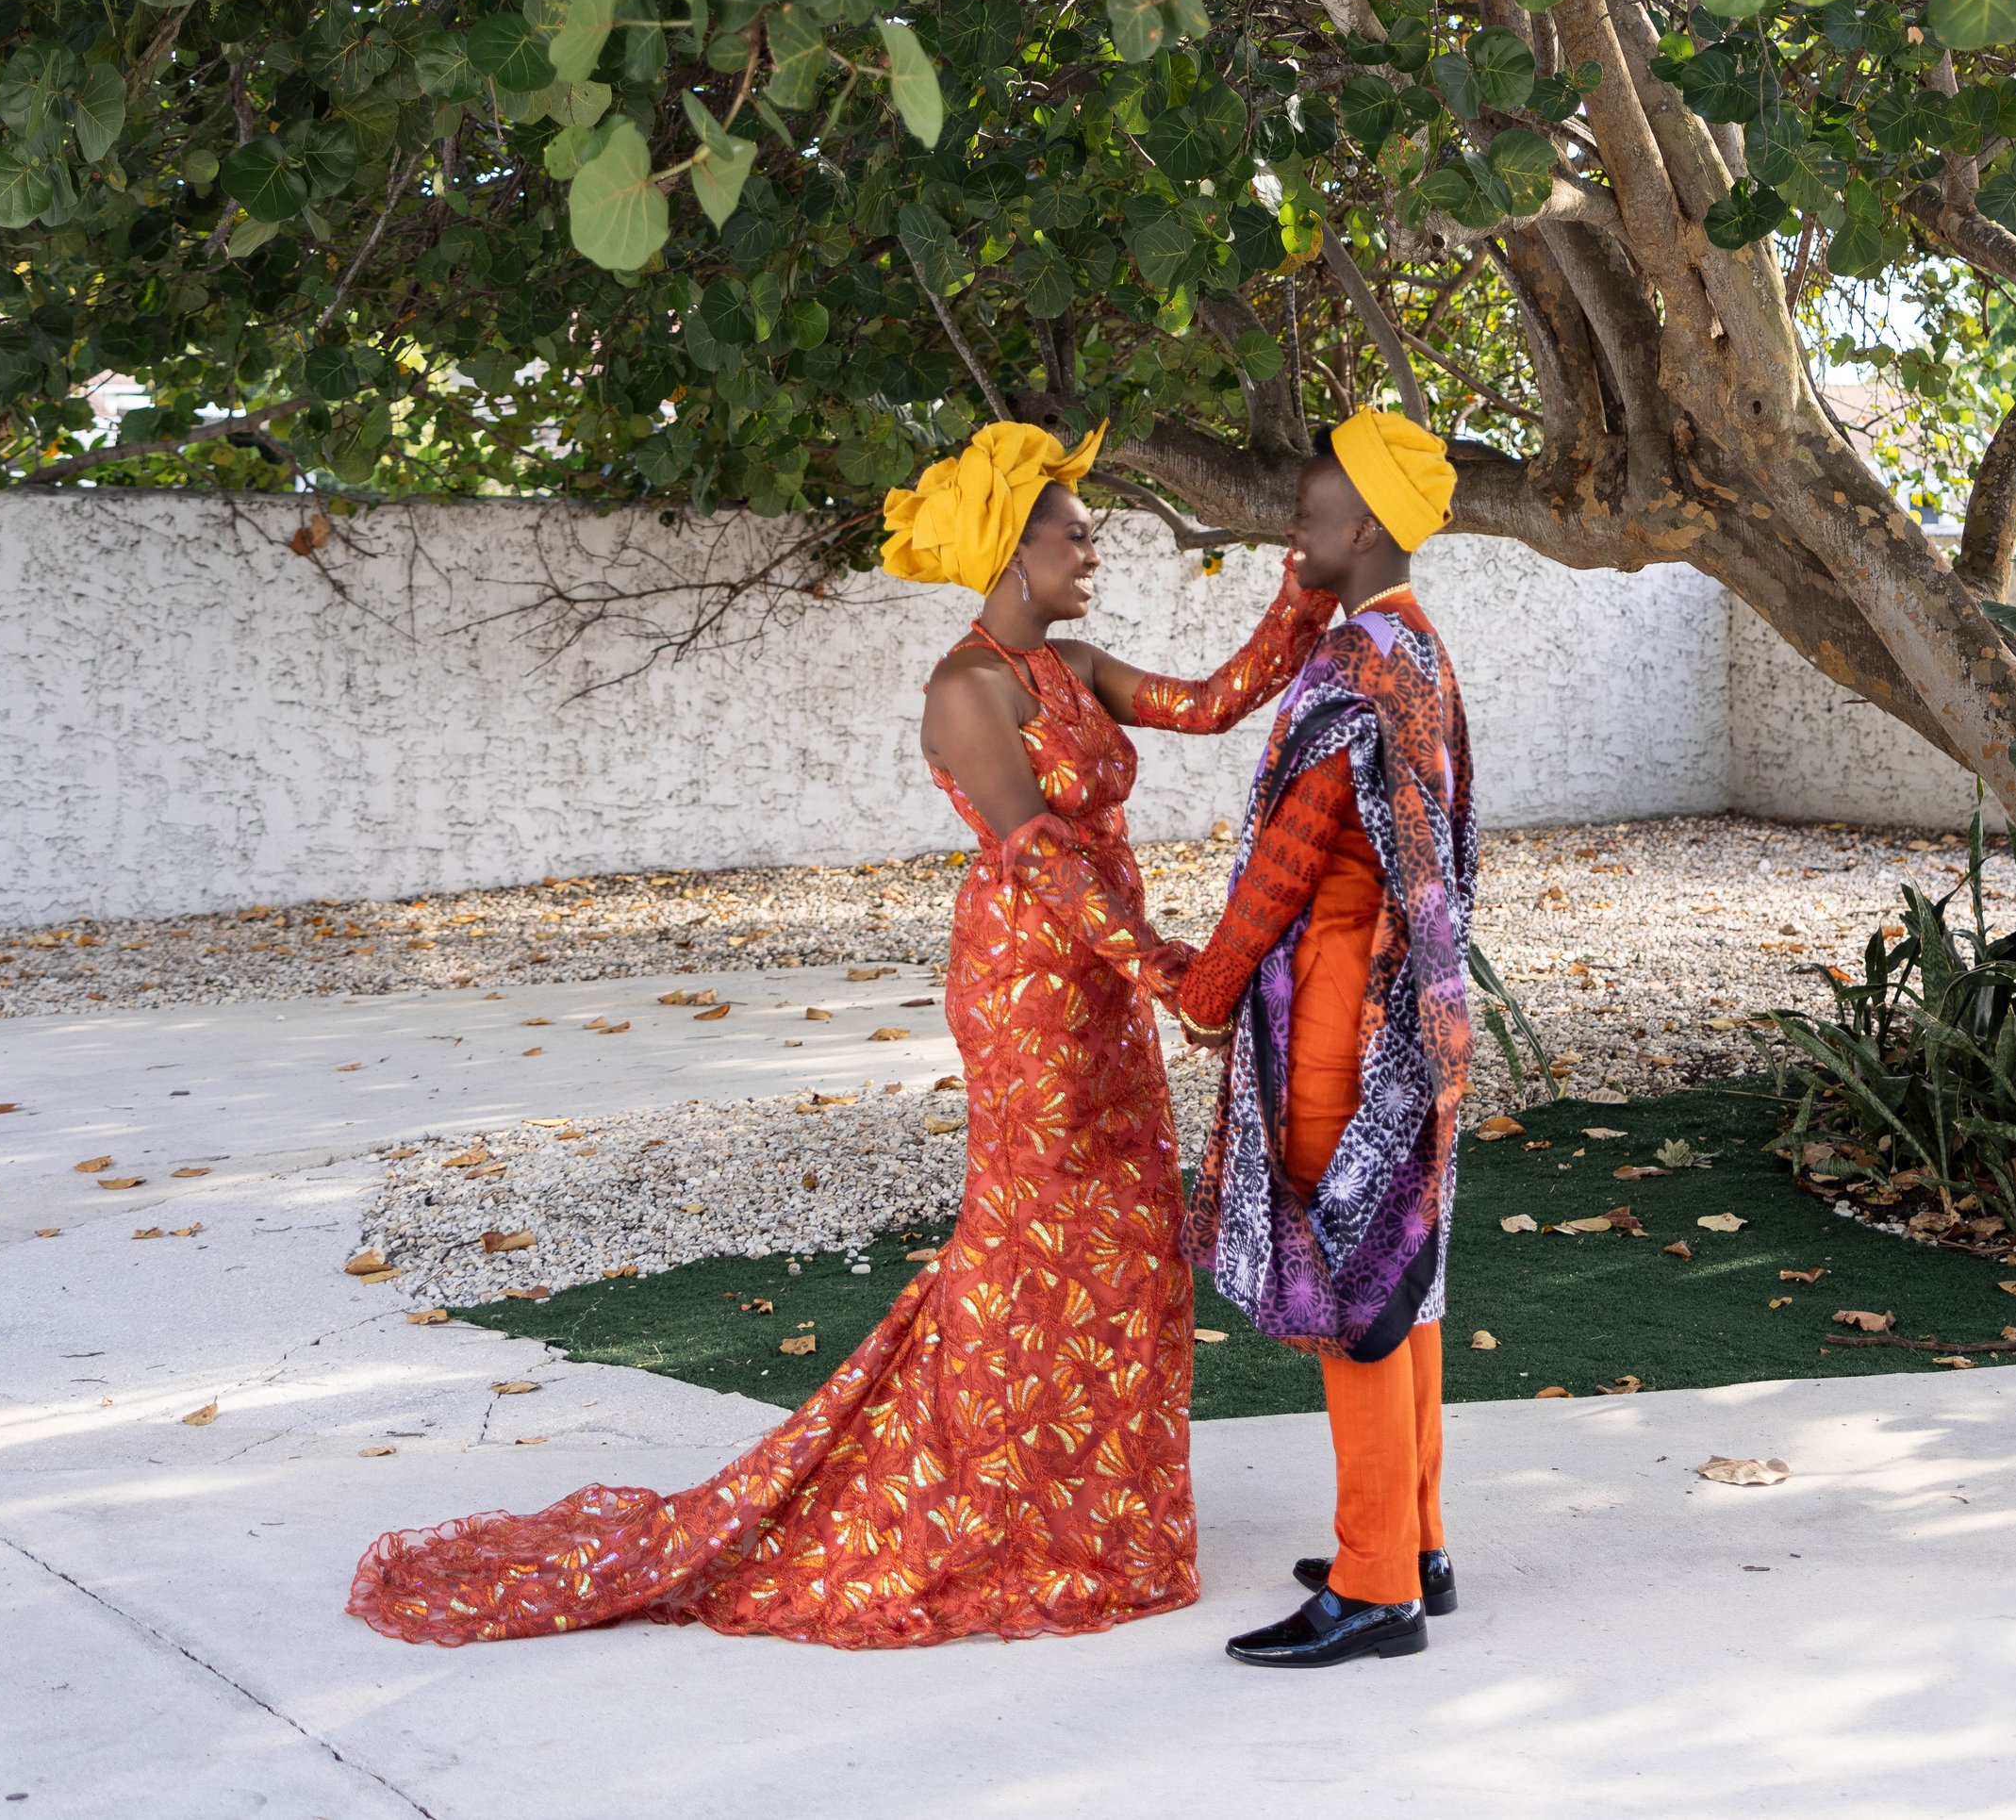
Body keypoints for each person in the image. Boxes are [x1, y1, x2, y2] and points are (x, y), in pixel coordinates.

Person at [347, 416, 1326, 1652]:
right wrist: (1180, 974)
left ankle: (1098, 1517)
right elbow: (1041, 866)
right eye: (1073, 537)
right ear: (1011, 551)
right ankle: (1002, 1507)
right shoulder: (962, 691)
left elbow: (1209, 701)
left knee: (1128, 1242)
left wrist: (1303, 593)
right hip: (1035, 984)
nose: (1093, 555)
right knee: (1038, 1249)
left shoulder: (1070, 662)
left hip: (1106, 985)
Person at [1171, 407, 1476, 1670]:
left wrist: (1202, 995)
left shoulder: (1355, 669)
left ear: (1360, 528)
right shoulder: (1419, 648)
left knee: (1350, 1281)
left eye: (1306, 513)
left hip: (1340, 1005)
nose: (1291, 528)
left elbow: (1286, 869)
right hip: (1419, 1009)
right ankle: (1418, 1542)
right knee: (1405, 1268)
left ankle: (1372, 1587)